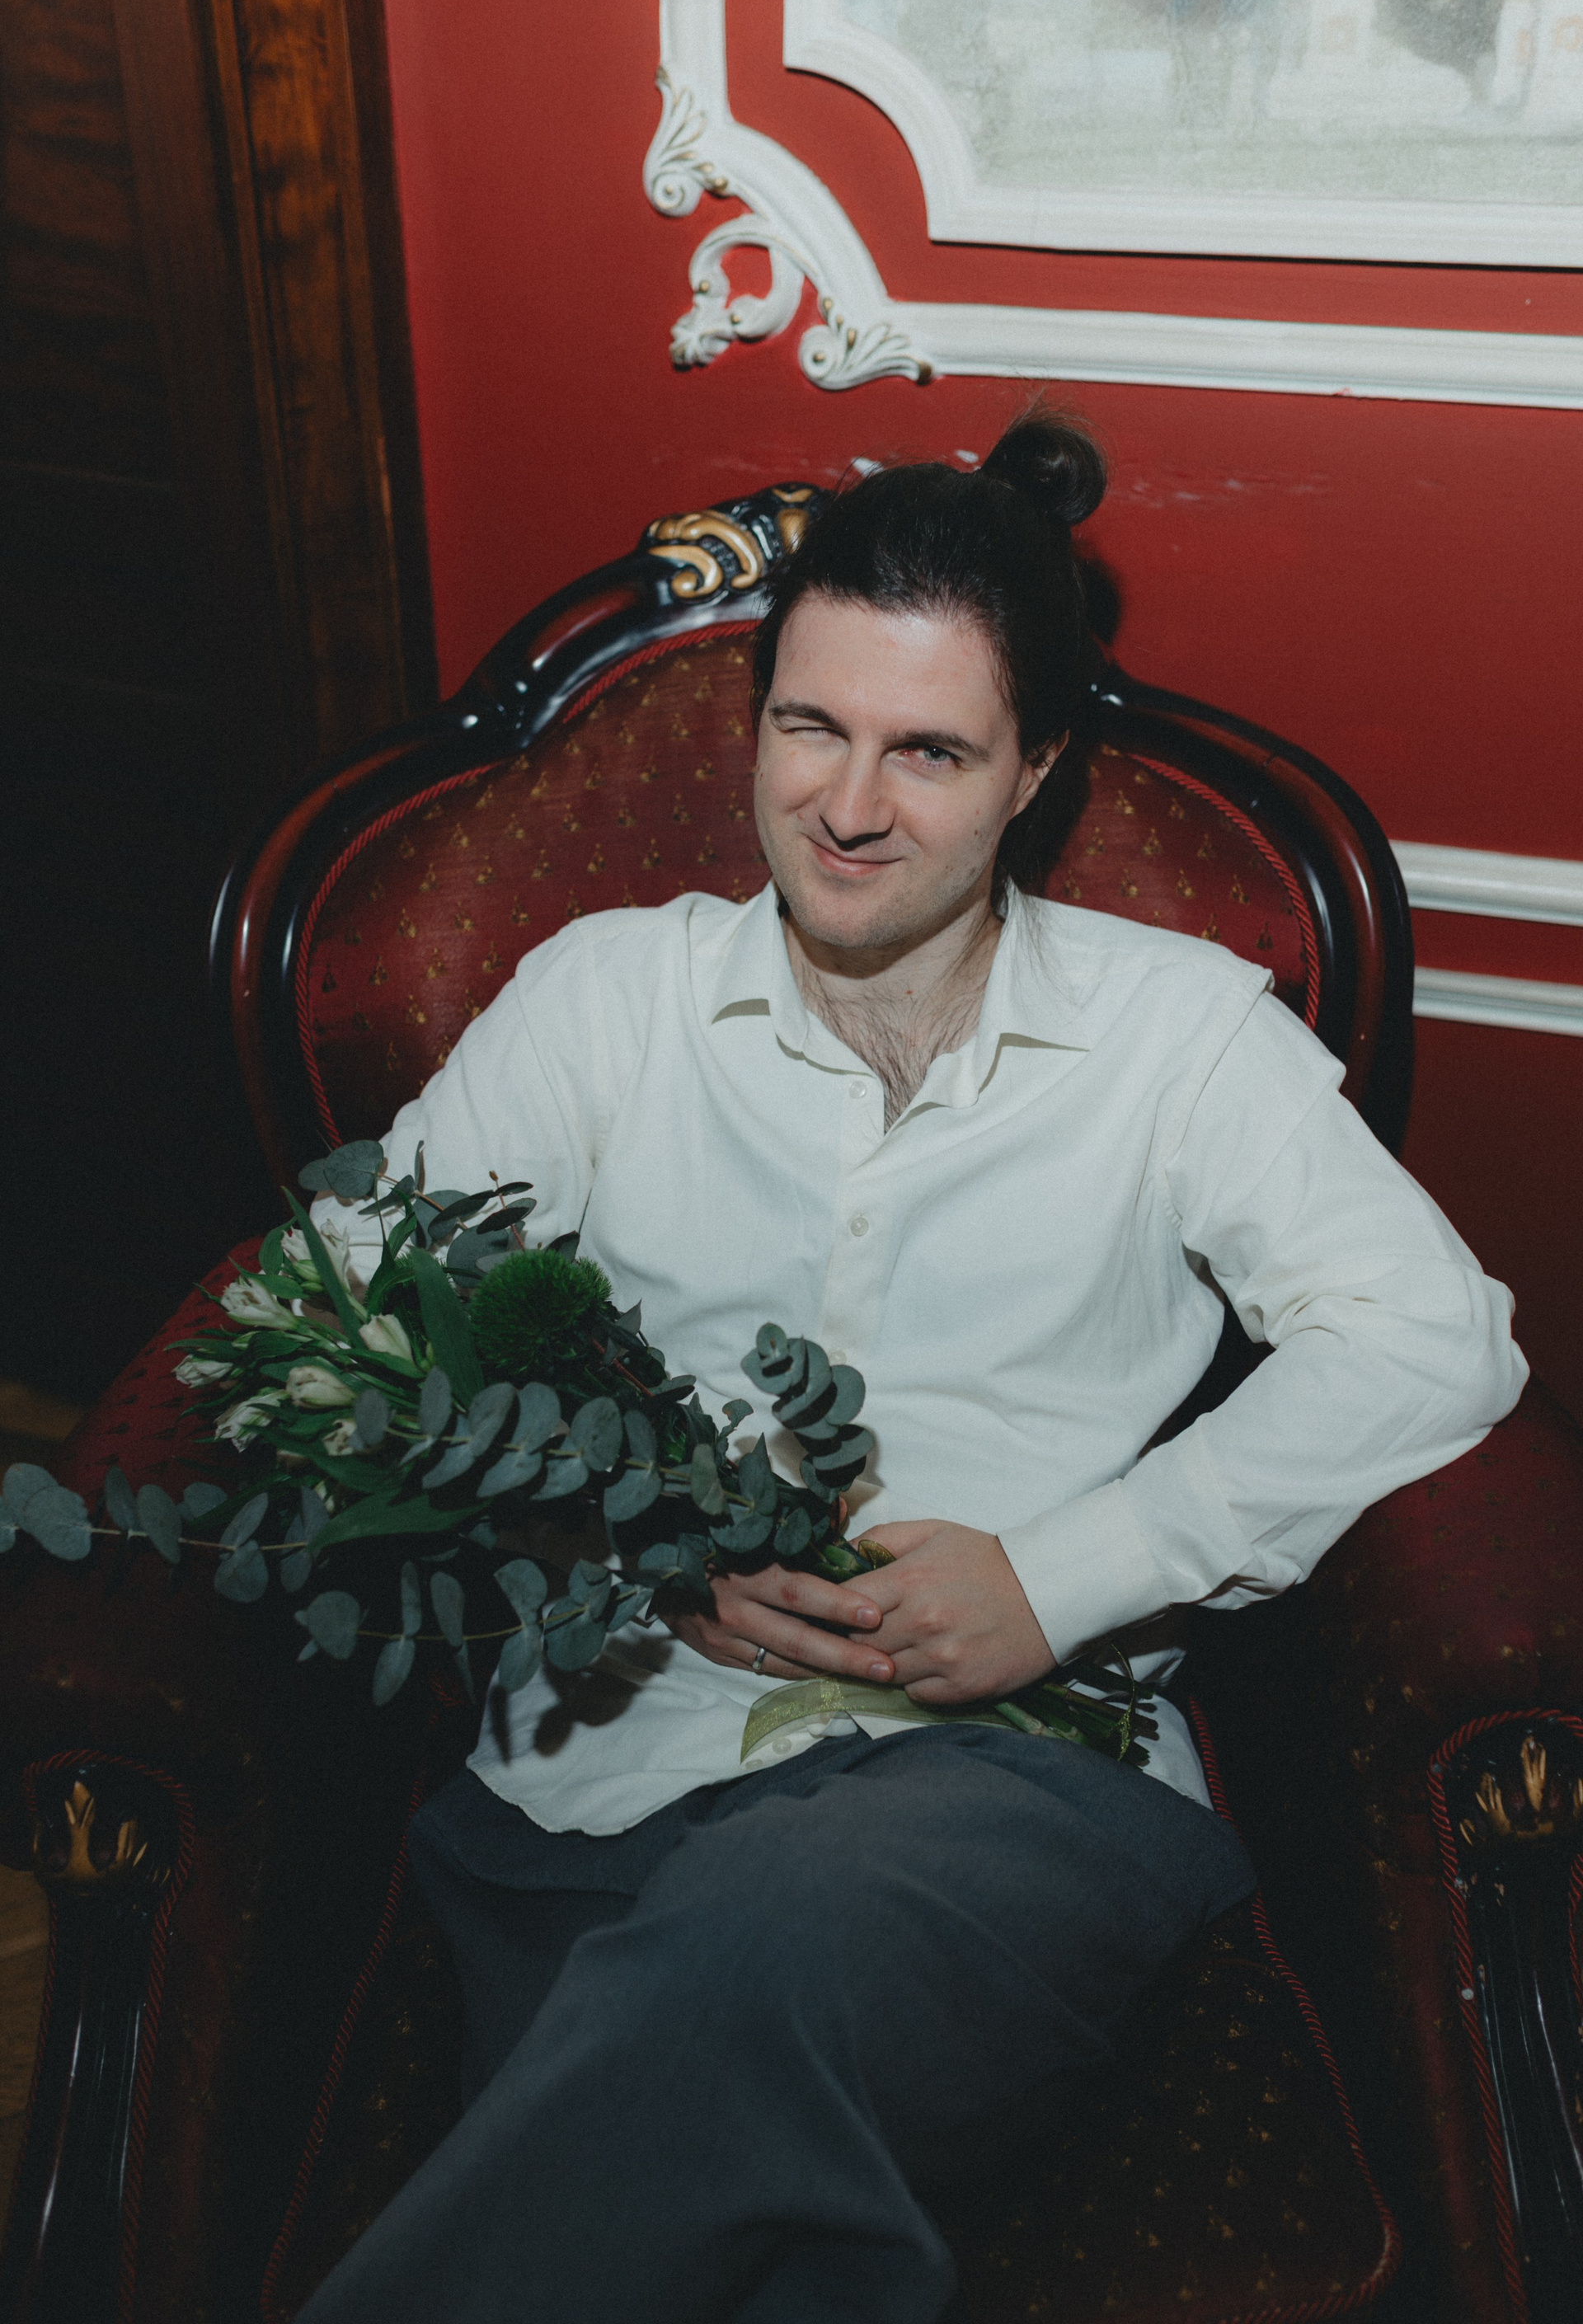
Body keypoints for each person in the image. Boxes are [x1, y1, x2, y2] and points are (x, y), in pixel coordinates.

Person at [300, 415, 1524, 2324]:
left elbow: (1434, 1336)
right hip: (604, 1771)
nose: (847, 807)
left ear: (1037, 770)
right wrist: (619, 1529)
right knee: (709, 2200)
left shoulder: (1180, 1040)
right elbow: (352, 1316)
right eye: (810, 727)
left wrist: (1065, 1575)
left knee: (748, 1968)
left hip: (1017, 1785)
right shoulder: (606, 997)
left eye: (929, 752)